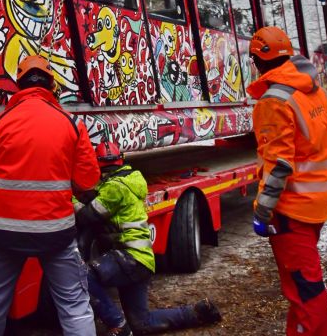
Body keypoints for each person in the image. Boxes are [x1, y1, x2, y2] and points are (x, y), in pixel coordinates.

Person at [0, 54, 100, 336]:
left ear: (18, 86)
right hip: (56, 233)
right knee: (74, 305)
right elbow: (88, 179)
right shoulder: (71, 124)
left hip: (4, 234)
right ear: (51, 85)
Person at [247, 26, 327, 336]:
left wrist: (262, 210)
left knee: (305, 288)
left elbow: (279, 164)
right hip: (316, 204)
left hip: (291, 210)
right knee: (300, 286)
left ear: (258, 60)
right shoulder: (313, 90)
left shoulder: (273, 102)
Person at [75, 141, 222, 336]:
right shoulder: (130, 181)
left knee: (82, 276)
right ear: (122, 161)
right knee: (143, 324)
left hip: (129, 258)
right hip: (141, 260)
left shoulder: (114, 188)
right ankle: (197, 313)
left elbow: (87, 216)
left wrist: (68, 199)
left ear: (97, 165)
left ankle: (118, 323)